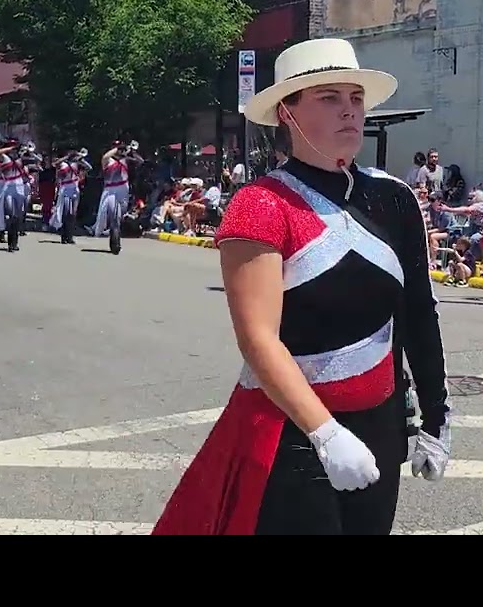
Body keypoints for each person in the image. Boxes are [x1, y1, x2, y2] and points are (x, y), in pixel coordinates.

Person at [151, 38, 451, 535]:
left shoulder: (395, 197)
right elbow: (258, 337)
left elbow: (419, 313)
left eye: (355, 98)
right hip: (290, 431)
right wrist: (325, 432)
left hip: (380, 424)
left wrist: (437, 417)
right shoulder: (262, 203)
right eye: (329, 98)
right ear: (287, 113)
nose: (349, 111)